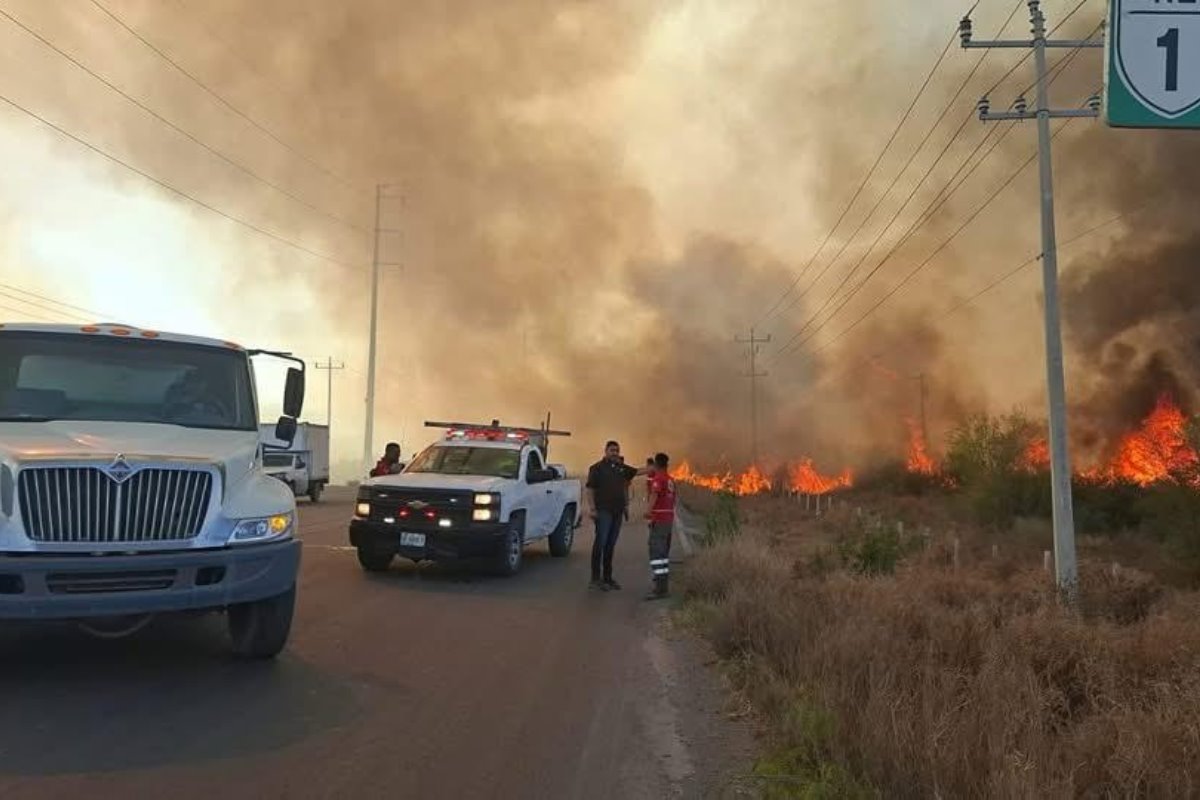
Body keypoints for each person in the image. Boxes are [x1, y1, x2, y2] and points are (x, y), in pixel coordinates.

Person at [585, 440, 642, 591]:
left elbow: (637, 472)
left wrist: (655, 468)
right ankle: (595, 579)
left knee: (610, 545)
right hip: (603, 511)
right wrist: (592, 509)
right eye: (612, 450)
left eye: (617, 450)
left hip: (617, 511)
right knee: (600, 543)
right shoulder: (596, 468)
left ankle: (608, 578)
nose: (615, 453)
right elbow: (590, 489)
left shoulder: (621, 468)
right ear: (605, 451)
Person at [644, 452, 677, 600]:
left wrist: (648, 512)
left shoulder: (658, 479)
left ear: (656, 465)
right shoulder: (670, 480)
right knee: (663, 554)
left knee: (656, 553)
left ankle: (660, 589)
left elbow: (654, 495)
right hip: (668, 519)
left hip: (660, 520)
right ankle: (662, 585)